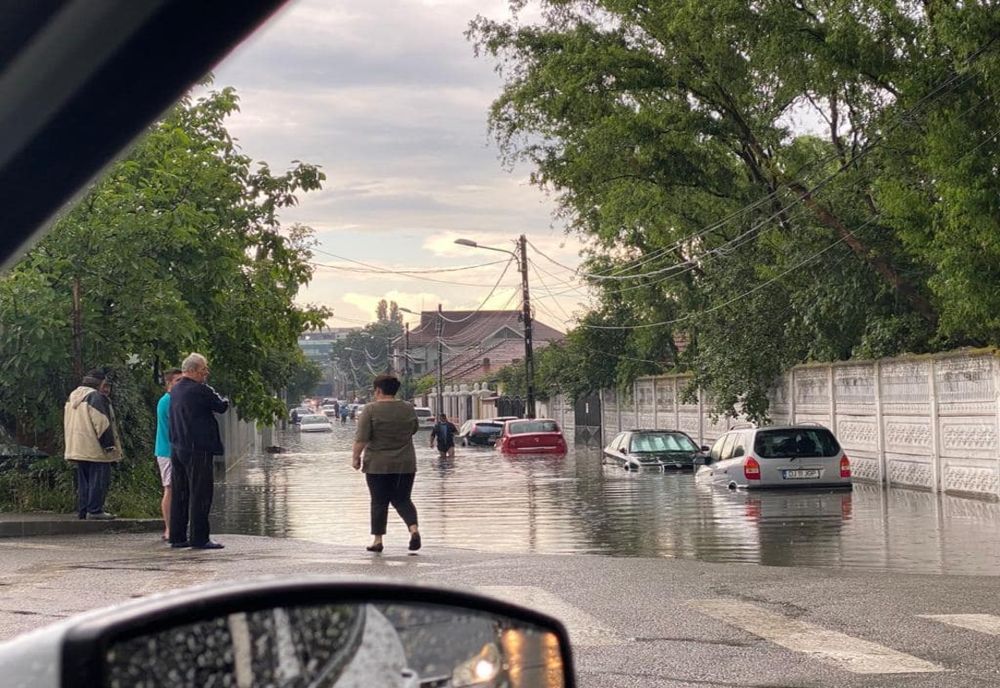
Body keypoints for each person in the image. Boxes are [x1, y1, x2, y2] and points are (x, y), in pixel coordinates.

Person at [352, 374, 421, 553]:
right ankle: (413, 530)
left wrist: (355, 458)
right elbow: (414, 429)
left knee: (379, 501)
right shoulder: (408, 408)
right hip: (405, 464)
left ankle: (378, 540)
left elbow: (361, 438)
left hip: (377, 465)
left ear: (378, 390)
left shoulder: (370, 410)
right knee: (403, 499)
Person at [168, 353, 229, 550]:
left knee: (180, 493)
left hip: (178, 448)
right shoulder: (200, 390)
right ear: (192, 370)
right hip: (199, 448)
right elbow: (221, 407)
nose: (206, 373)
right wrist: (222, 396)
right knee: (201, 494)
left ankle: (177, 537)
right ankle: (199, 537)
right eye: (204, 370)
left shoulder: (176, 390)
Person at [64, 369, 122, 520]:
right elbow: (102, 422)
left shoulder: (73, 396)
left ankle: (83, 510)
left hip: (77, 446)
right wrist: (109, 445)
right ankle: (95, 510)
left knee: (84, 481)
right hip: (94, 447)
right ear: (100, 383)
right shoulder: (95, 397)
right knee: (99, 479)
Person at [154, 367, 181, 541]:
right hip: (167, 451)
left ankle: (175, 526)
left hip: (173, 450)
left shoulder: (174, 400)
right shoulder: (167, 401)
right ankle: (169, 529)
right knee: (169, 488)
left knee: (176, 489)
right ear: (169, 383)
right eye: (178, 381)